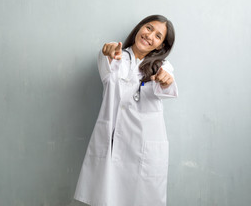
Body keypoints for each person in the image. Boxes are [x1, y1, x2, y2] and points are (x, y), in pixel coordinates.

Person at [73, 15, 178, 206]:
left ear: (160, 46)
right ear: (139, 28)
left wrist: (166, 79)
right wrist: (108, 50)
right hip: (114, 146)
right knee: (109, 198)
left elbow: (168, 86)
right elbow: (107, 56)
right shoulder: (117, 57)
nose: (149, 35)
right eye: (148, 28)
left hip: (143, 150)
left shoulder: (162, 67)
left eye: (158, 36)